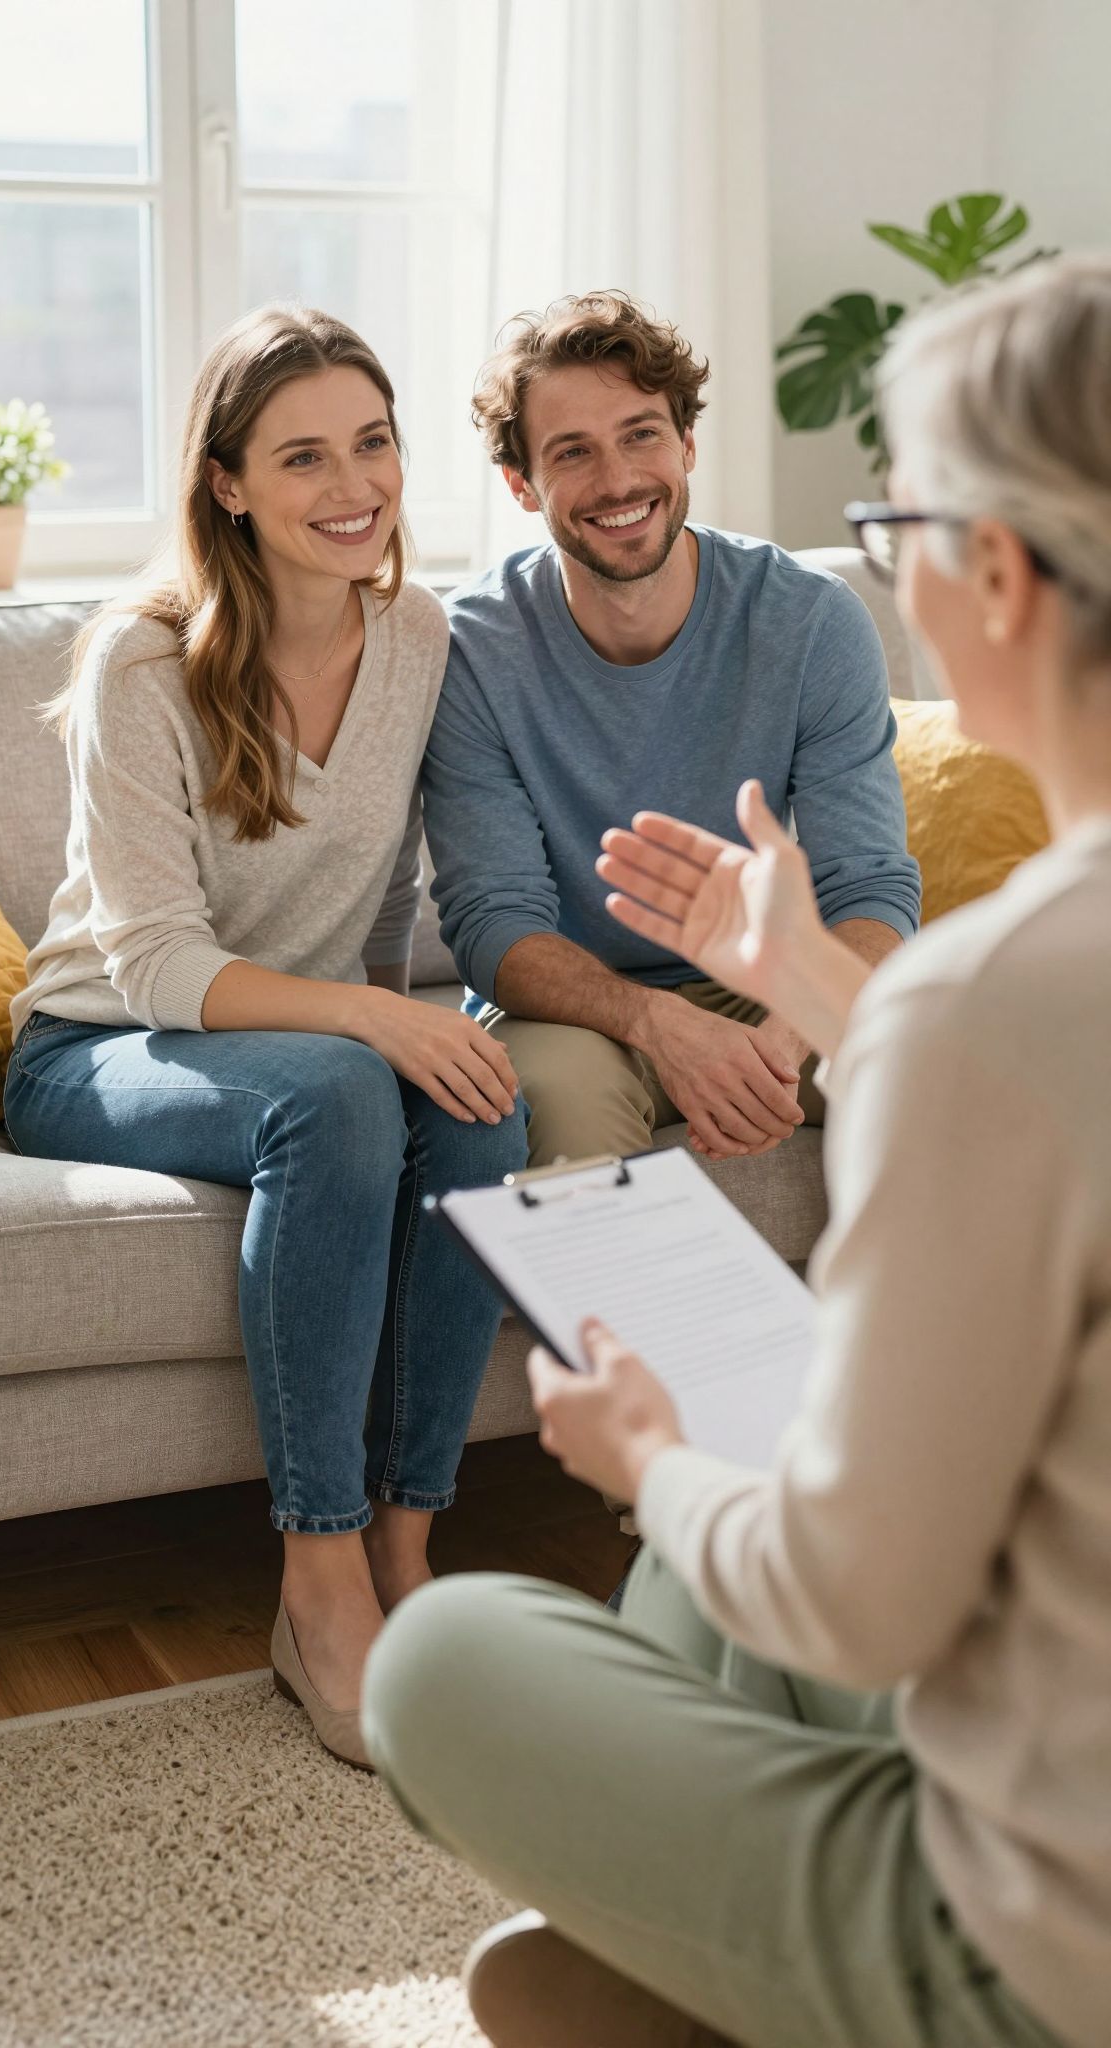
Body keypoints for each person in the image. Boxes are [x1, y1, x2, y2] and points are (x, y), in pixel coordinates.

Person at [362, 254, 1111, 2048]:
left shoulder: (991, 1009)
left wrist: (656, 1451)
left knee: (448, 1655)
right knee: (712, 1581)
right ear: (524, 480)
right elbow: (502, 923)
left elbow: (859, 1600)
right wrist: (800, 997)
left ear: (994, 578)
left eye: (899, 527)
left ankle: (721, 1974)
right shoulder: (984, 1010)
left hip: (1048, 1946)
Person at [3, 305, 526, 1769]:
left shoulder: (418, 635)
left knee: (480, 1098)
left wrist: (409, 1027)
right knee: (348, 1092)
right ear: (227, 482)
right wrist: (370, 1021)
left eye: (373, 443)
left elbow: (380, 901)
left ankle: (409, 1542)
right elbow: (155, 960)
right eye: (303, 457)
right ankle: (318, 1578)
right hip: (99, 1046)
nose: (353, 485)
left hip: (294, 1048)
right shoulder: (140, 664)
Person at [421, 291, 920, 1170]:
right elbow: (495, 924)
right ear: (521, 484)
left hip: (773, 987)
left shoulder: (810, 621)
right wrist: (658, 1023)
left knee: (939, 1064)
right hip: (573, 1015)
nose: (618, 480)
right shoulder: (473, 650)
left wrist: (783, 1041)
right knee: (558, 1102)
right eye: (572, 452)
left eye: (641, 434)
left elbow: (870, 888)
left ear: (687, 443)